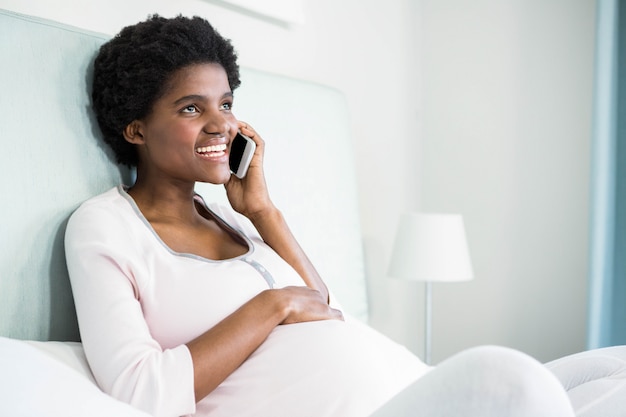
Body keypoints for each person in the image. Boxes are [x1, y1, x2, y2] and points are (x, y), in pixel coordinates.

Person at [65, 14, 576, 417]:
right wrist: (271, 306)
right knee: (514, 382)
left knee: (613, 373)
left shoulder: (232, 219)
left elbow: (319, 304)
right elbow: (140, 392)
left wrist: (263, 211)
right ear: (135, 130)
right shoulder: (105, 226)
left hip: (404, 387)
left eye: (226, 103)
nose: (223, 124)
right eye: (192, 109)